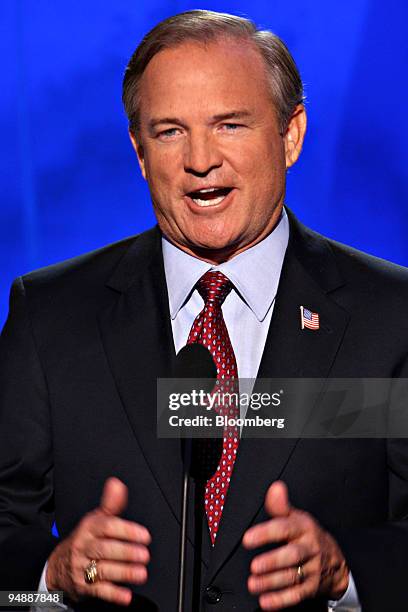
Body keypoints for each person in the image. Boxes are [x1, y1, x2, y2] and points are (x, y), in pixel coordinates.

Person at [0, 9, 407, 612]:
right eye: (169, 131)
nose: (199, 160)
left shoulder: (392, 317)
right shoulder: (50, 316)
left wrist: (349, 576)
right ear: (140, 153)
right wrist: (44, 577)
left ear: (290, 135)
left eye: (229, 125)